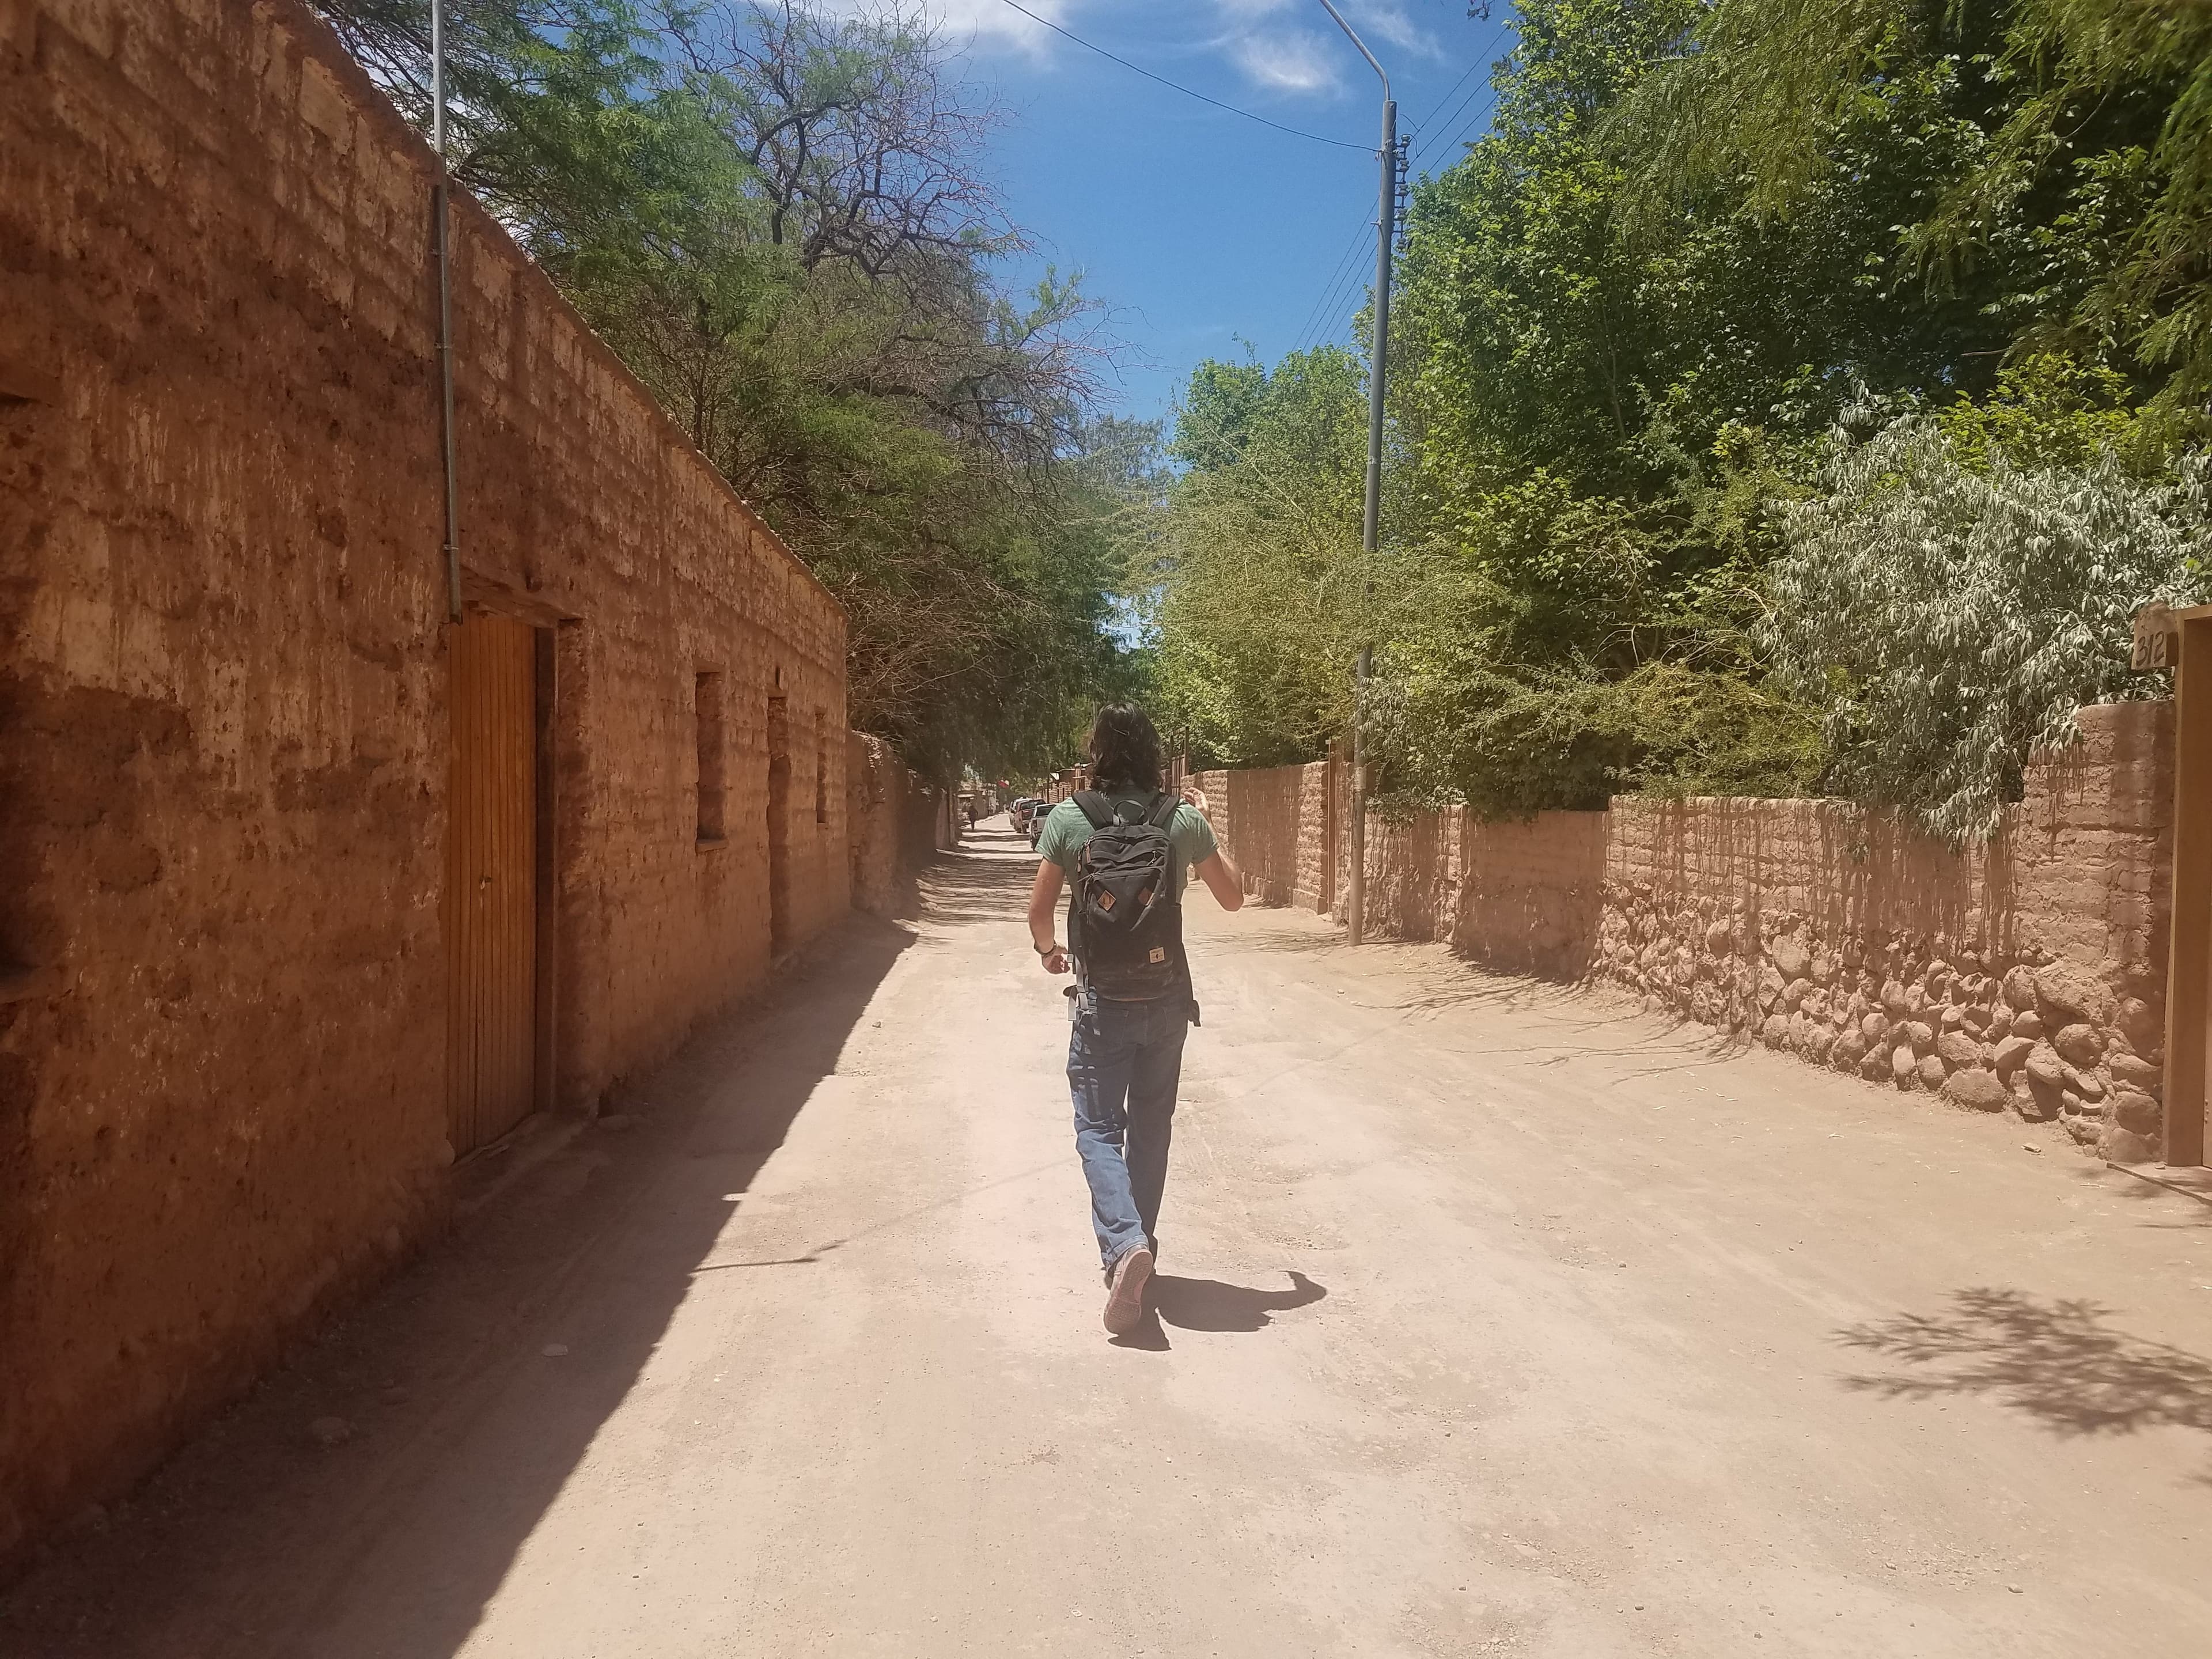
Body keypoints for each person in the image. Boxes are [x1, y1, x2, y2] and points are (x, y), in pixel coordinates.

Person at [1026, 706, 1243, 1335]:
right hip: (1167, 996)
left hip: (1102, 1000)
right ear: (1155, 756)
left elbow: (1039, 910)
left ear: (1096, 753)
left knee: (1097, 1129)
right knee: (1152, 1126)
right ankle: (1137, 1242)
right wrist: (1207, 827)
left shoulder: (1071, 817)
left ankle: (1125, 1246)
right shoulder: (1181, 819)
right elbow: (1234, 896)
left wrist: (1049, 953)